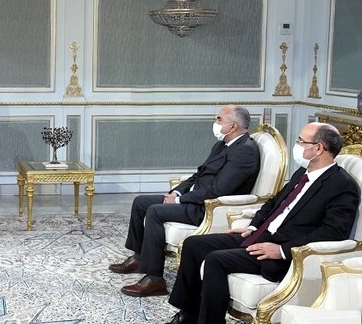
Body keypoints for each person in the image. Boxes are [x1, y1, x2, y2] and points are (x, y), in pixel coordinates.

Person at [166, 122, 360, 324]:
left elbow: (332, 232)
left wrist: (281, 250)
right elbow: (273, 203)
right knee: (193, 244)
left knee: (216, 260)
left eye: (301, 141)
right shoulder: (301, 173)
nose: (296, 145)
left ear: (318, 148)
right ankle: (189, 316)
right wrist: (252, 227)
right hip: (259, 235)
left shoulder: (342, 185)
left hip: (283, 252)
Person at [109, 105, 261, 297]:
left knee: (155, 211)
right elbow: (199, 175)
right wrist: (176, 193)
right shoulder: (222, 145)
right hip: (194, 199)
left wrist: (180, 201)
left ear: (233, 126)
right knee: (140, 202)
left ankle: (155, 280)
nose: (215, 123)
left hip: (208, 208)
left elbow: (218, 191)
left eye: (219, 119)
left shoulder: (245, 151)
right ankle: (140, 258)